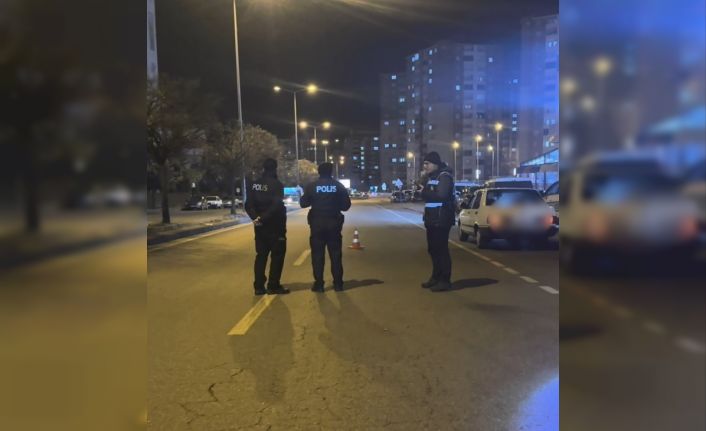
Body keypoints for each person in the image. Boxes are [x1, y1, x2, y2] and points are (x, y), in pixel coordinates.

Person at [300, 162, 352, 292]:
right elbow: (346, 206)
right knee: (335, 255)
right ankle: (338, 284)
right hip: (334, 225)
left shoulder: (312, 186)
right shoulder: (338, 186)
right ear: (331, 172)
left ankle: (319, 284)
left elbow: (303, 203)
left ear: (319, 172)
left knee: (317, 256)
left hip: (317, 225)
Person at [244, 158, 290, 295]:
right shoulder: (277, 185)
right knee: (277, 255)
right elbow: (276, 205)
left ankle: (258, 287)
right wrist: (263, 218)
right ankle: (273, 285)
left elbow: (248, 205)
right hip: (275, 226)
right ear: (275, 168)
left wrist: (256, 219)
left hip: (259, 227)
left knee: (261, 255)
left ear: (263, 168)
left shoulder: (254, 184)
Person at [420, 151, 455, 292]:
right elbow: (430, 196)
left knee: (441, 250)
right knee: (433, 249)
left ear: (435, 164)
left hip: (441, 219)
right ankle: (435, 277)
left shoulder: (444, 176)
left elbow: (441, 195)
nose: (425, 166)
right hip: (432, 219)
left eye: (427, 163)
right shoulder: (432, 177)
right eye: (424, 164)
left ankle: (445, 280)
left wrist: (424, 192)